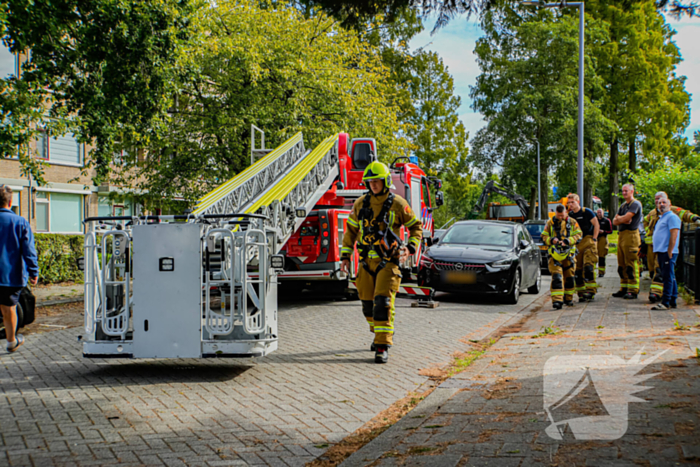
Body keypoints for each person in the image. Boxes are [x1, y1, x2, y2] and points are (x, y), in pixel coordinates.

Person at [340, 162, 423, 364]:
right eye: (370, 182)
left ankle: (382, 345)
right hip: (366, 262)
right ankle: (378, 333)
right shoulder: (360, 204)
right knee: (367, 305)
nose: (373, 185)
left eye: (376, 181)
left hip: (388, 262)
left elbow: (416, 227)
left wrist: (410, 248)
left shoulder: (398, 203)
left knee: (382, 304)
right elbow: (350, 231)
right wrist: (344, 256)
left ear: (385, 181)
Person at [0, 185, 39, 353]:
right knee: (9, 308)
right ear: (10, 202)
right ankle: (11, 342)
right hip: (11, 275)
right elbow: (28, 250)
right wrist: (33, 272)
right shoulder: (20, 222)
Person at [643, 191, 700, 303]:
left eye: (662, 200)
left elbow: (685, 214)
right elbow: (645, 222)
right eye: (657, 199)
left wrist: (695, 219)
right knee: (653, 269)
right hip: (653, 247)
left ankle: (658, 294)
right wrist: (647, 234)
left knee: (660, 270)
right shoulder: (653, 213)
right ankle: (671, 295)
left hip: (665, 248)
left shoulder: (673, 211)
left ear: (668, 202)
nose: (659, 202)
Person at [541, 204, 582, 310]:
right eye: (558, 215)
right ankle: (557, 301)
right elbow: (544, 236)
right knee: (557, 278)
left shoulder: (572, 222)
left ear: (566, 213)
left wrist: (568, 241)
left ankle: (568, 298)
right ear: (555, 213)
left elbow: (578, 235)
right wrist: (551, 240)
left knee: (569, 278)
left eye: (562, 215)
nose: (560, 217)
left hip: (569, 255)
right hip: (555, 256)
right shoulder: (550, 223)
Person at [567, 194, 600, 301]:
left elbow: (596, 224)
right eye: (569, 202)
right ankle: (581, 292)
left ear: (578, 202)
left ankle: (591, 291)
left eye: (572, 202)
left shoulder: (587, 212)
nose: (570, 204)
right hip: (577, 243)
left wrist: (594, 239)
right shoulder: (570, 215)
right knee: (578, 269)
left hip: (588, 240)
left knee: (588, 267)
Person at [612, 184, 643, 299]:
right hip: (622, 235)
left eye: (626, 191)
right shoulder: (623, 205)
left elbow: (625, 218)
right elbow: (614, 221)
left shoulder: (635, 204)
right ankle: (624, 287)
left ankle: (633, 289)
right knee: (621, 264)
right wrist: (622, 219)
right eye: (623, 191)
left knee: (631, 264)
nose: (624, 193)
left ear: (632, 191)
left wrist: (621, 219)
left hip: (631, 236)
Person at [650, 197, 681, 310]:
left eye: (664, 202)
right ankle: (673, 299)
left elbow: (674, 235)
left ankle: (665, 302)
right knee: (670, 276)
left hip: (667, 252)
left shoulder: (672, 217)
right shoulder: (661, 218)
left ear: (669, 204)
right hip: (661, 251)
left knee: (667, 277)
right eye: (659, 203)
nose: (661, 204)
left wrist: (670, 251)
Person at [596, 209, 613, 277]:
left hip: (603, 238)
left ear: (603, 213)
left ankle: (601, 272)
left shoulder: (606, 220)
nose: (599, 214)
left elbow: (610, 231)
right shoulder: (595, 220)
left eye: (600, 212)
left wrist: (604, 231)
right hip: (595, 238)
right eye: (598, 212)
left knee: (601, 255)